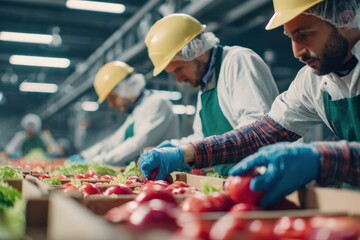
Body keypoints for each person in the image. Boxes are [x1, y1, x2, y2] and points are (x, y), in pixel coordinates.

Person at [139, 0, 360, 207]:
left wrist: (322, 158)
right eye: (291, 37)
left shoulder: (237, 62)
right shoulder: (312, 81)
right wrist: (186, 152)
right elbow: (260, 134)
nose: (296, 52)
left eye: (304, 34)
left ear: (345, 17)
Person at [144, 14, 279, 174]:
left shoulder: (237, 62)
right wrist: (176, 147)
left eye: (179, 69)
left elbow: (257, 128)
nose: (179, 80)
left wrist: (185, 152)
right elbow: (201, 136)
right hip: (234, 179)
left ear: (197, 50)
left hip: (264, 177)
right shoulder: (206, 84)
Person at [68, 61, 180, 166]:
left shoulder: (157, 103)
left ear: (125, 88)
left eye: (112, 98)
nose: (112, 105)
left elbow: (138, 143)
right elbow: (112, 143)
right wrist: (84, 155)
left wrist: (93, 162)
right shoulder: (137, 110)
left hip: (164, 177)